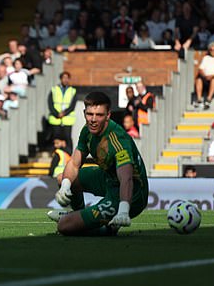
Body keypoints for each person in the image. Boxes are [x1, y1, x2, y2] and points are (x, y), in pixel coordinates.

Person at [47, 92, 149, 236]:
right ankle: (79, 215)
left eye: (99, 115)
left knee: (64, 225)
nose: (93, 120)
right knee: (63, 178)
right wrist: (64, 187)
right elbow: (74, 164)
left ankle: (106, 228)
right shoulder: (87, 131)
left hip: (130, 194)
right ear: (84, 113)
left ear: (108, 115)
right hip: (108, 178)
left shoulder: (117, 138)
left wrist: (124, 210)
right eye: (89, 114)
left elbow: (126, 178)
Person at [47, 71, 77, 152]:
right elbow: (50, 104)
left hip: (67, 119)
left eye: (67, 78)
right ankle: (56, 154)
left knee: (67, 137)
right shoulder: (54, 90)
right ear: (61, 79)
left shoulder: (72, 91)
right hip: (56, 118)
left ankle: (69, 154)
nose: (65, 80)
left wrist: (64, 113)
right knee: (56, 137)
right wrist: (57, 114)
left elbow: (72, 105)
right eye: (64, 78)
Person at [194, 42, 214, 109]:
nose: (213, 51)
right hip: (205, 77)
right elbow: (200, 69)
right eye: (211, 50)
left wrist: (212, 76)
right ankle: (199, 100)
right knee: (198, 79)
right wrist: (205, 76)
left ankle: (208, 100)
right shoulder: (206, 58)